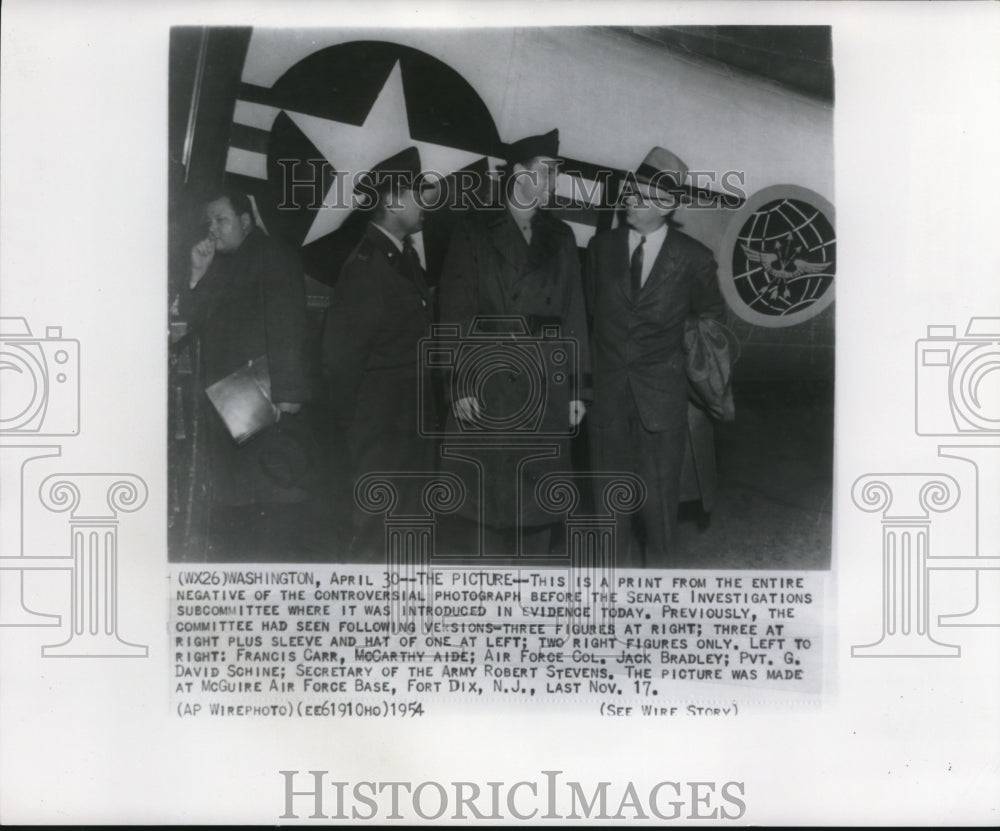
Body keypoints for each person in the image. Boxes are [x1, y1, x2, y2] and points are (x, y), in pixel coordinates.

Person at [437, 129, 590, 557]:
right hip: (488, 379)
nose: (552, 183)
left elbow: (574, 315)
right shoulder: (473, 230)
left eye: (556, 175)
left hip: (545, 380)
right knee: (487, 503)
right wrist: (459, 381)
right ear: (519, 174)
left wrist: (578, 389)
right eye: (546, 173)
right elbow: (453, 310)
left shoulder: (560, 238)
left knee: (539, 501)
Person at [587, 147, 727, 567]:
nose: (628, 198)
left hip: (661, 403)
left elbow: (713, 321)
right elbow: (593, 314)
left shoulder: (694, 258)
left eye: (639, 194)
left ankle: (657, 604)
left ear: (666, 205)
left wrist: (676, 347)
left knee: (661, 513)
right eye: (630, 190)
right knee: (608, 516)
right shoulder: (601, 247)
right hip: (608, 400)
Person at [177, 189, 317, 558]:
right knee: (241, 497)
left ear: (245, 220)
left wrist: (288, 396)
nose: (212, 230)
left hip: (262, 400)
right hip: (231, 403)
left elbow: (288, 326)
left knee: (269, 495)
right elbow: (194, 318)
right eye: (209, 222)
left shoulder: (273, 254)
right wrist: (196, 274)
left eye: (220, 220)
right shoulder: (226, 262)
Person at [322, 146, 436, 560]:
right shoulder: (367, 266)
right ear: (391, 201)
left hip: (404, 424)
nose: (425, 204)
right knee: (373, 534)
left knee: (404, 530)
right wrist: (355, 427)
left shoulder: (402, 257)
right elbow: (341, 359)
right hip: (379, 425)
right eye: (416, 195)